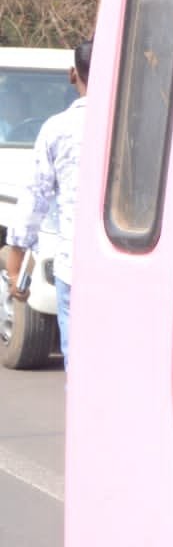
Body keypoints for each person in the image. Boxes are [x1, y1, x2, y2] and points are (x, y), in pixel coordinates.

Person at [4, 39, 91, 363]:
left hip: (73, 266)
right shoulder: (136, 126)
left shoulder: (57, 129)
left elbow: (34, 199)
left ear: (73, 74)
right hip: (132, 266)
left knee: (79, 364)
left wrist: (15, 268)